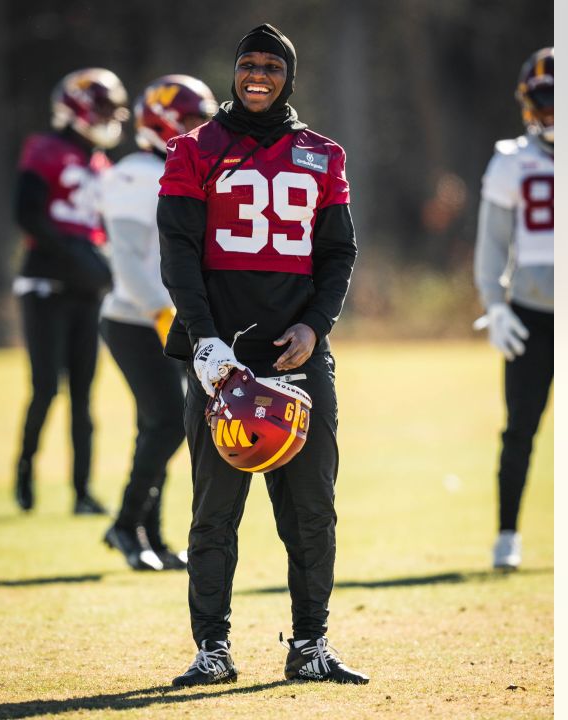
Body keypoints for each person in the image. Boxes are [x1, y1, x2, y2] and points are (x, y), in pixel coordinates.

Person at [157, 23, 368, 686]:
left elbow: (338, 253)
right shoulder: (194, 149)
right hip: (225, 360)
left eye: (271, 67)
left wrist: (316, 326)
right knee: (214, 512)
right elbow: (178, 254)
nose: (257, 76)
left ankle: (311, 643)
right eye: (247, 65)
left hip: (299, 356)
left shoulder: (323, 154)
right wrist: (205, 340)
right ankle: (212, 649)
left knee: (312, 510)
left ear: (288, 76)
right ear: (233, 72)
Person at [97, 74, 218, 571]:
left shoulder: (187, 169)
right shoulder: (135, 173)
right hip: (135, 318)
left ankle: (152, 533)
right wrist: (161, 310)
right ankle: (126, 525)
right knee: (167, 421)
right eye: (191, 119)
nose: (201, 129)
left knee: (164, 424)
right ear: (163, 120)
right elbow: (124, 258)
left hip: (175, 318)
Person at [12, 68, 126, 515]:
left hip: (85, 289)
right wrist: (74, 254)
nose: (107, 118)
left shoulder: (102, 166)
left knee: (84, 392)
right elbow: (27, 214)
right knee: (45, 387)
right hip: (46, 281)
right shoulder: (45, 149)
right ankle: (25, 476)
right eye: (101, 108)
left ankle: (82, 491)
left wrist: (98, 263)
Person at [474, 48, 554, 570]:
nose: (553, 110)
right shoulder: (511, 161)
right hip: (532, 310)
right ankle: (507, 534)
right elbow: (491, 245)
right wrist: (496, 307)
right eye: (545, 99)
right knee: (520, 427)